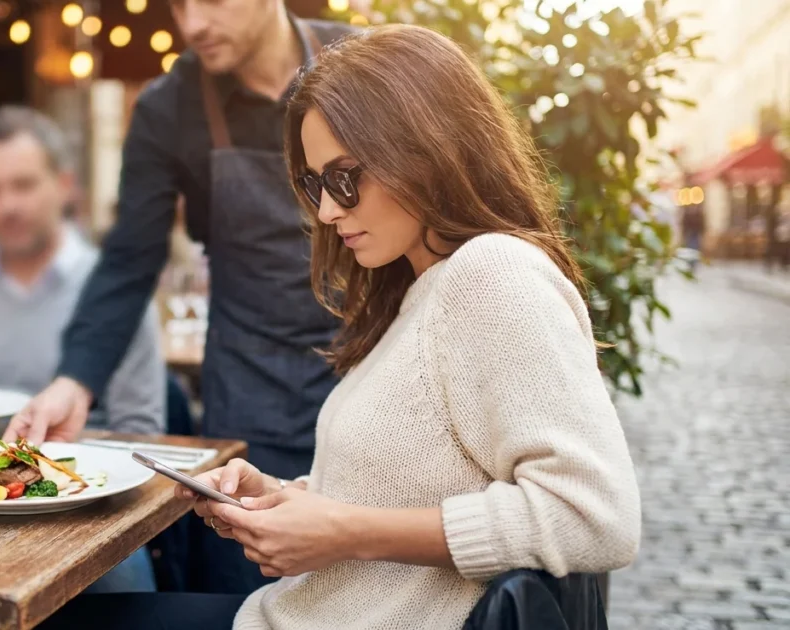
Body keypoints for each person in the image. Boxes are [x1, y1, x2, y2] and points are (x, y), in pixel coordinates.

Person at [33, 24, 642, 630]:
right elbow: (414, 483)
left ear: (425, 148)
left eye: (344, 178)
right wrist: (287, 497)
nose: (326, 211)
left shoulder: (493, 275)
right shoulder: (414, 290)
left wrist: (343, 533)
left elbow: (594, 518)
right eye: (313, 183)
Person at [4, 0, 355, 595]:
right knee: (246, 596)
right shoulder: (169, 107)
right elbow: (129, 260)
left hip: (365, 378)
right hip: (249, 392)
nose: (191, 24)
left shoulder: (358, 64)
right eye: (177, 4)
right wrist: (77, 380)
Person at [0, 105, 164, 589]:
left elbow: (144, 435)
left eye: (24, 185)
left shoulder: (115, 293)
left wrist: (61, 482)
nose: (7, 205)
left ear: (65, 185)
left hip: (90, 521)